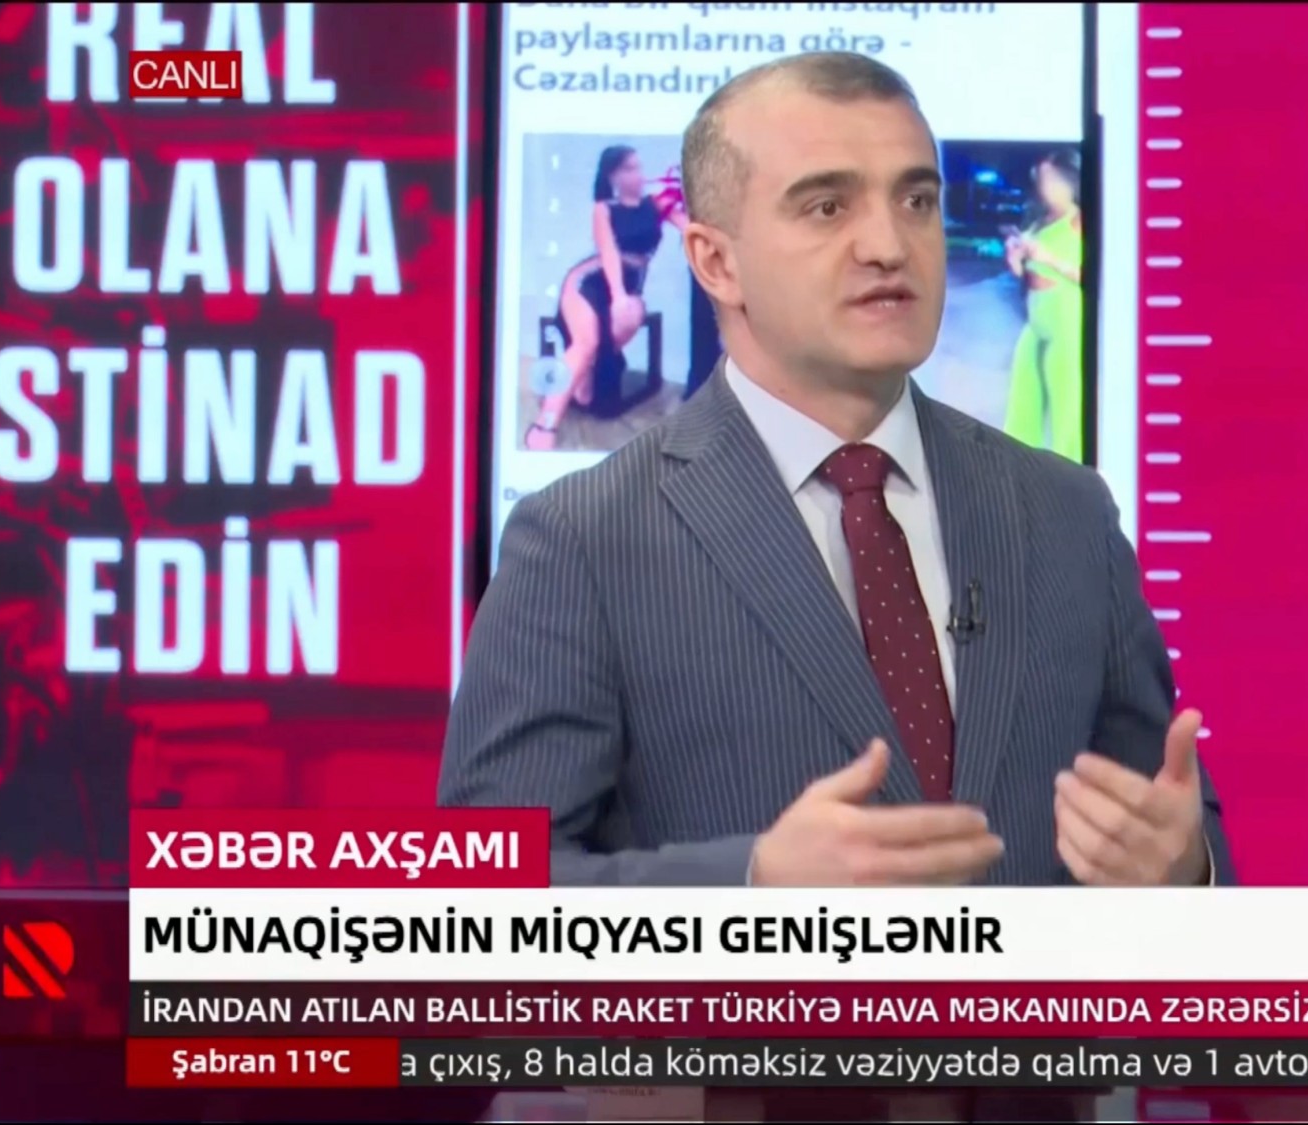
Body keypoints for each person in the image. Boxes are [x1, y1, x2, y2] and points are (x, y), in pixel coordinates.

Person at [443, 52, 1232, 892]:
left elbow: (1176, 830)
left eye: (916, 200)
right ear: (715, 262)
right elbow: (479, 895)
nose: (889, 245)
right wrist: (750, 886)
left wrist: (1186, 871)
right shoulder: (582, 541)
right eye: (827, 206)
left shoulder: (1066, 513)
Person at [527, 144, 687, 451]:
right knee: (586, 342)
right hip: (588, 282)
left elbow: (690, 228)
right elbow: (609, 252)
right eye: (629, 168)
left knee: (625, 320)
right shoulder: (603, 208)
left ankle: (584, 371)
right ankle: (545, 424)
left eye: (639, 166)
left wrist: (689, 192)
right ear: (613, 176)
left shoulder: (656, 203)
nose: (638, 174)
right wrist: (618, 296)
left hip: (629, 286)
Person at [1002, 149, 1085, 462]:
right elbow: (1026, 273)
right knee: (1024, 399)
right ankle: (1019, 472)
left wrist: (1048, 258)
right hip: (1036, 314)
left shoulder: (1080, 219)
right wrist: (1016, 259)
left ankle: (1071, 478)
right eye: (1040, 179)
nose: (1044, 185)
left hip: (1066, 313)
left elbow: (1094, 277)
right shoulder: (1039, 219)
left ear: (1069, 181)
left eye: (1050, 179)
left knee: (1067, 407)